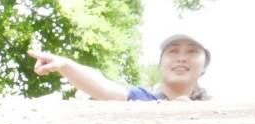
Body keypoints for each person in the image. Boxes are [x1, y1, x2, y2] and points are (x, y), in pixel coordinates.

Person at [29, 34, 211, 102]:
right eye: (173, 51)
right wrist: (66, 65)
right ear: (160, 64)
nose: (181, 58)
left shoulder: (215, 114)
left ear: (204, 66)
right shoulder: (141, 100)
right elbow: (106, 89)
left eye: (192, 52)